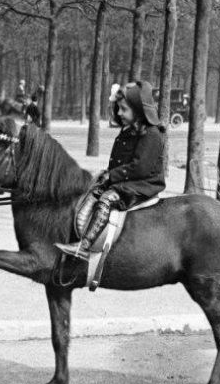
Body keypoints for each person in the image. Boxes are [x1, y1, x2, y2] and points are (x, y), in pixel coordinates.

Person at [56, 80, 165, 259]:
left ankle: (85, 246)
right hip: (127, 180)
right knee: (91, 191)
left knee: (106, 199)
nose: (119, 113)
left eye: (124, 109)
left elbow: (140, 167)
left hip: (143, 184)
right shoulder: (129, 130)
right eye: (119, 108)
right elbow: (119, 161)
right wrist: (106, 174)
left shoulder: (151, 134)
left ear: (138, 111)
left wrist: (111, 176)